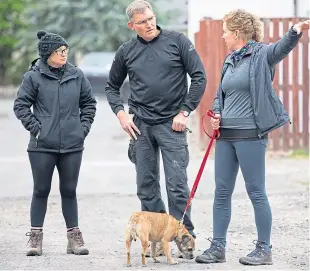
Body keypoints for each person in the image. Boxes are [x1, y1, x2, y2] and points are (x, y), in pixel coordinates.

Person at [195, 10, 310, 266]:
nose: (223, 35)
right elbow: (220, 95)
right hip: (225, 136)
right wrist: (217, 114)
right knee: (221, 192)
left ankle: (264, 249)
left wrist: (295, 31)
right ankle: (218, 246)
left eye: (225, 31)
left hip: (251, 135)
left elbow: (282, 48)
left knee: (256, 191)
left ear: (237, 32)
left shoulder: (261, 54)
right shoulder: (229, 60)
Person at [105, 0, 206, 256]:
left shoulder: (178, 41)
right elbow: (111, 86)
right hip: (140, 126)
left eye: (151, 19)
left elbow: (199, 76)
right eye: (142, 22)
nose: (149, 24)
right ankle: (160, 240)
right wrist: (121, 114)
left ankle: (184, 236)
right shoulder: (126, 51)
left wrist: (185, 111)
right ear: (132, 25)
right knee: (147, 186)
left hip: (172, 124)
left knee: (178, 185)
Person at [13, 30, 97, 256]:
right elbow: (21, 105)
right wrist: (37, 129)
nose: (64, 54)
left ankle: (74, 239)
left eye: (66, 50)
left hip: (72, 144)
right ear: (47, 53)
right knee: (41, 190)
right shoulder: (33, 77)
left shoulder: (77, 75)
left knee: (69, 190)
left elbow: (89, 103)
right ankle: (35, 239)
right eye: (60, 51)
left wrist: (82, 128)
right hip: (42, 146)